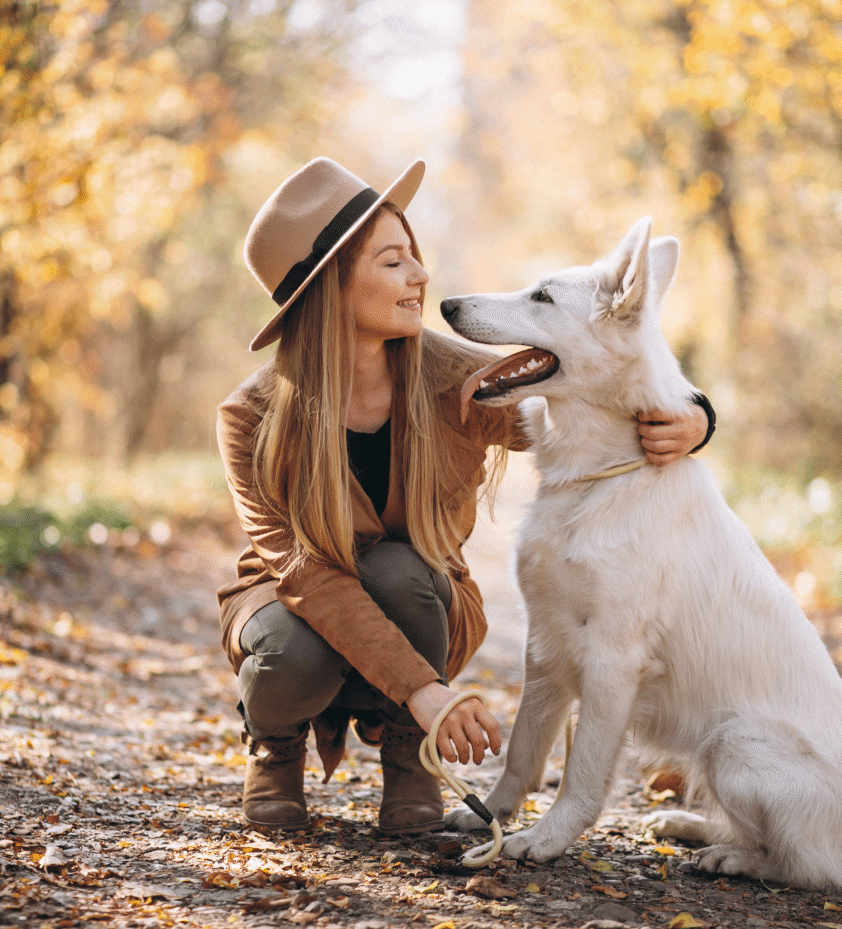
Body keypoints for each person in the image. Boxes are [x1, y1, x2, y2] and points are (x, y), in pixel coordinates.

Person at [215, 157, 713, 833]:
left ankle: (407, 756)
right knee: (286, 646)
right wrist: (428, 691)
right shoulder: (250, 417)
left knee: (401, 570)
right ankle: (275, 744)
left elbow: (598, 383)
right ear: (331, 286)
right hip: (296, 607)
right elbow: (305, 575)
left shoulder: (458, 378)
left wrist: (695, 415)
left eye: (414, 255)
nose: (421, 275)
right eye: (394, 261)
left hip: (418, 602)